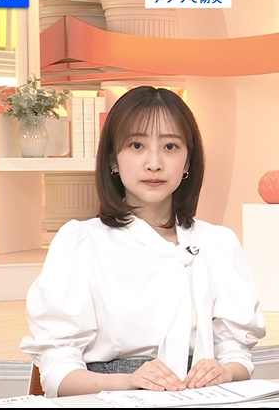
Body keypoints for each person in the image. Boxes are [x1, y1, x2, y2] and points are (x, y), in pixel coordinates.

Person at [20, 86, 266, 398]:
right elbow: (57, 374)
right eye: (137, 145)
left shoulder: (217, 243)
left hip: (203, 399)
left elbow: (238, 355)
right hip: (112, 400)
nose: (154, 163)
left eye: (170, 147)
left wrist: (226, 371)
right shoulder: (82, 243)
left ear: (188, 163)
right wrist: (129, 382)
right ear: (113, 159)